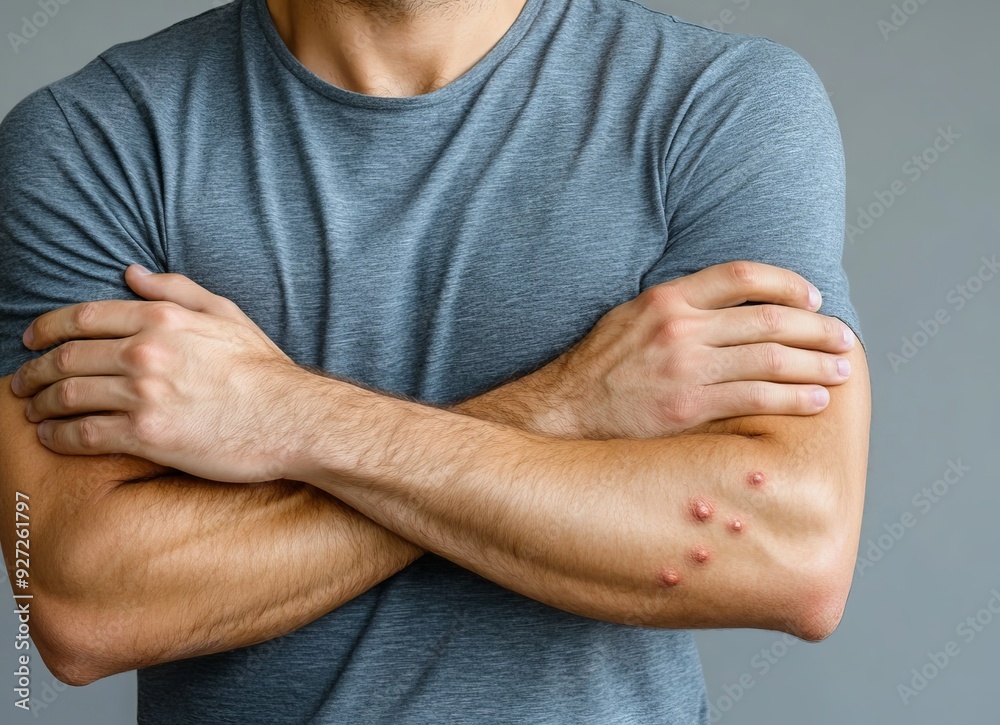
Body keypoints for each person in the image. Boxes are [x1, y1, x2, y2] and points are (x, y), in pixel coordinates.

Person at [0, 0, 870, 722]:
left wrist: (286, 414)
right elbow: (81, 602)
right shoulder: (94, 140)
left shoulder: (717, 105)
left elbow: (790, 551)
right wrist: (564, 405)